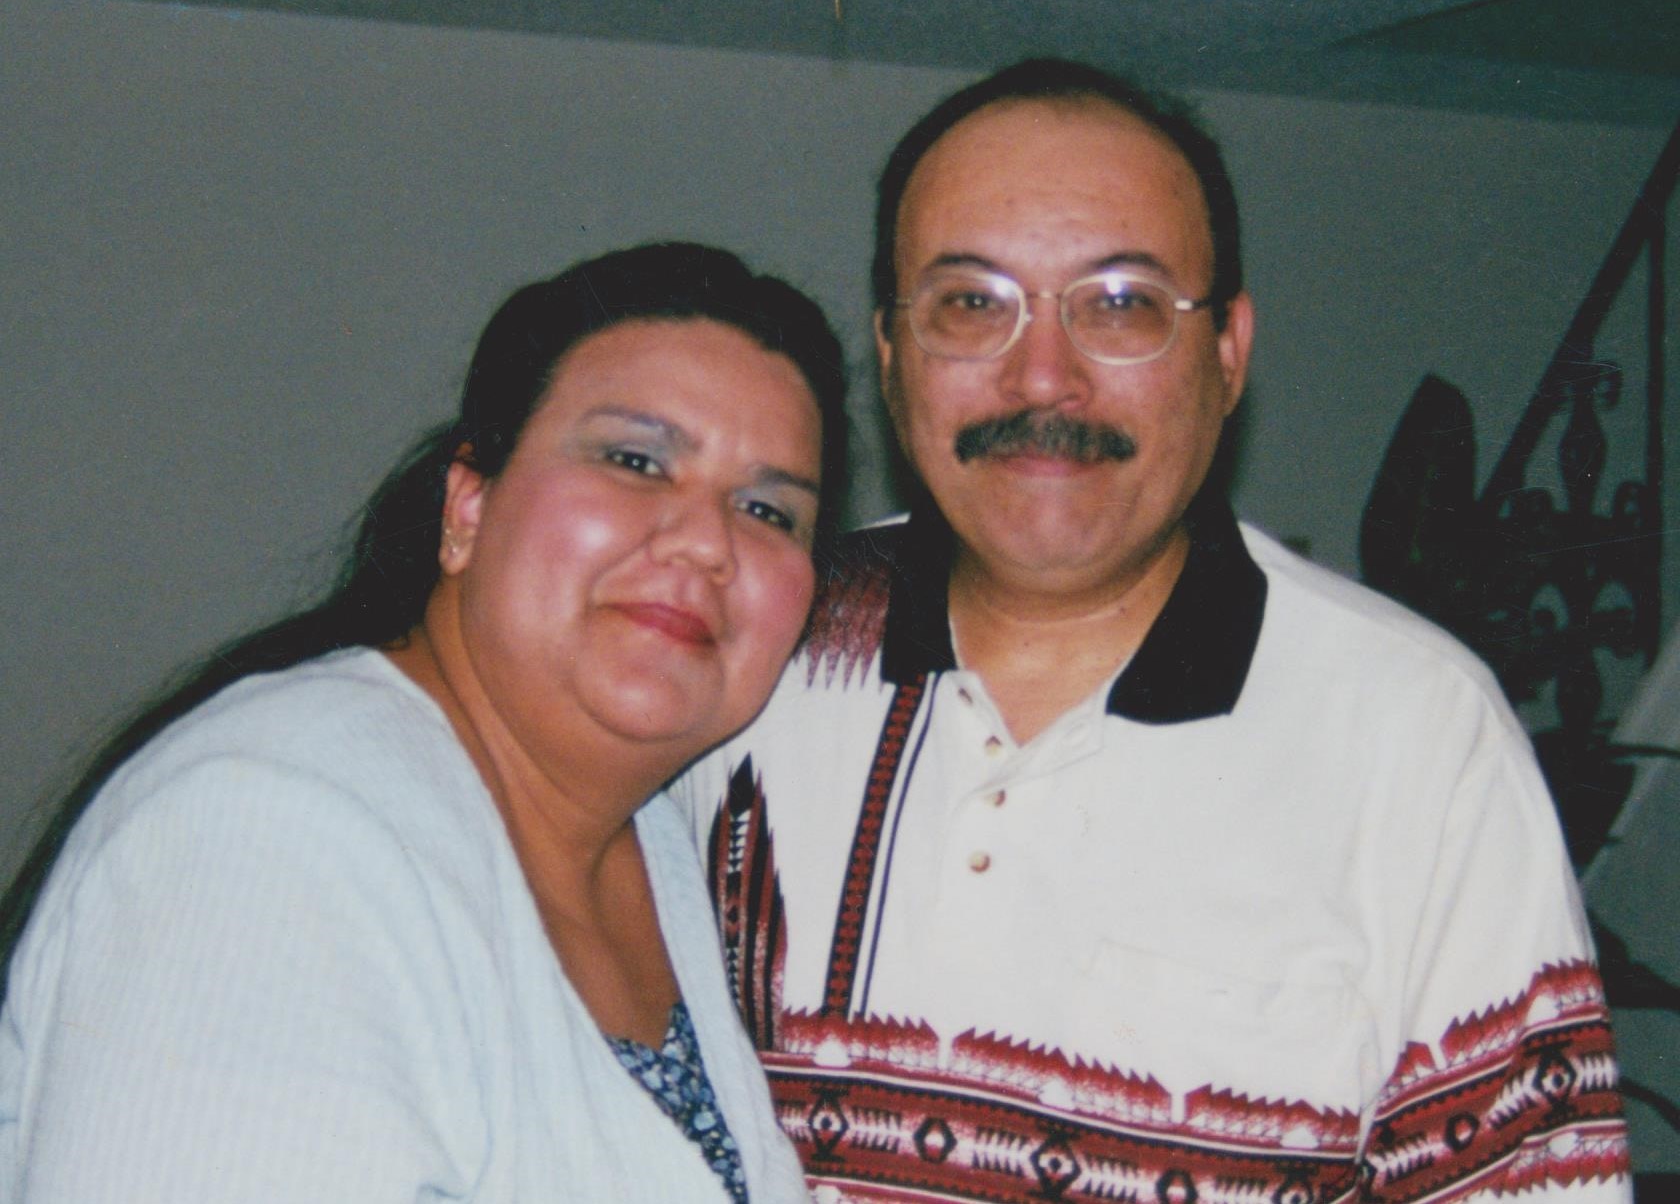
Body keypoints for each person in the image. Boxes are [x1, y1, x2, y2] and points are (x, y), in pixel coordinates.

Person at [673, 62, 1633, 1202]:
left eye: (1121, 304)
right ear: (892, 354)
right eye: (971, 303)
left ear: (1227, 353)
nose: (1043, 379)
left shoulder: (1417, 734)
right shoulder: (742, 645)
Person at [0, 242, 848, 1203]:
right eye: (635, 461)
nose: (706, 542)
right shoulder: (271, 833)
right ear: (468, 508)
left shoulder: (663, 842)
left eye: (768, 511)